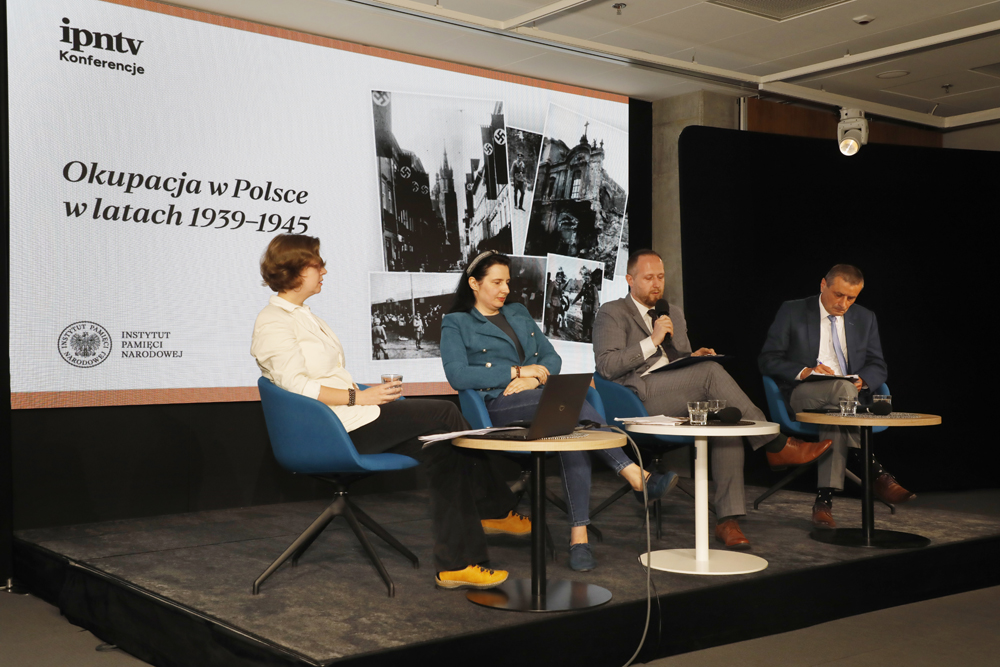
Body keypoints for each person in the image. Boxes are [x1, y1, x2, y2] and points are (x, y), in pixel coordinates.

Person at [251, 234, 528, 590]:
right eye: (317, 265)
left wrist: (370, 394)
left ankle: (457, 565)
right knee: (446, 414)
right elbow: (297, 386)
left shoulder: (303, 316)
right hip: (332, 429)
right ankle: (496, 508)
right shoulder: (273, 321)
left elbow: (325, 378)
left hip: (350, 416)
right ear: (295, 269)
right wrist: (359, 398)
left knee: (445, 448)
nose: (324, 271)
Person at [440, 250, 677, 572]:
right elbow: (457, 375)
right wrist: (517, 373)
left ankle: (579, 538)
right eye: (496, 282)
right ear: (473, 283)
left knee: (571, 430)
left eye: (507, 282)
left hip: (536, 396)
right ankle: (635, 474)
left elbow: (552, 358)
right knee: (571, 405)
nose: (505, 289)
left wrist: (535, 376)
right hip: (495, 406)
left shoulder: (518, 312)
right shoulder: (456, 322)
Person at [592, 249, 832, 549]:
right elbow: (606, 366)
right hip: (636, 397)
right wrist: (652, 340)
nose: (657, 284)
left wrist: (693, 357)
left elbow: (676, 360)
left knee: (726, 420)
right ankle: (776, 444)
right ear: (630, 280)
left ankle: (727, 520)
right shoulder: (612, 312)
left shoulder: (672, 312)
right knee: (709, 373)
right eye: (649, 278)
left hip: (675, 391)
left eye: (661, 277)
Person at [758, 264, 912, 529]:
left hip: (846, 400)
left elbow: (878, 365)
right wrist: (806, 371)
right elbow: (767, 359)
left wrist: (863, 380)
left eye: (851, 298)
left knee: (839, 405)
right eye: (838, 295)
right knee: (843, 392)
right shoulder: (793, 311)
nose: (843, 304)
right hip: (804, 393)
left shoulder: (865, 317)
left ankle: (824, 502)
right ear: (823, 285)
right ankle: (874, 470)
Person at [569, 268, 602, 342]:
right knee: (584, 323)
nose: (586, 280)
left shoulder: (593, 287)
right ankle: (584, 337)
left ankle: (591, 338)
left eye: (588, 278)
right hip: (585, 307)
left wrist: (595, 309)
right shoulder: (584, 286)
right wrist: (573, 301)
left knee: (591, 324)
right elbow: (580, 294)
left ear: (590, 279)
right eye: (585, 278)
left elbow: (596, 299)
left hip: (591, 308)